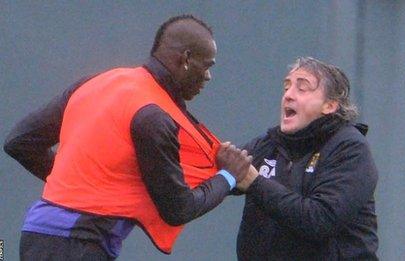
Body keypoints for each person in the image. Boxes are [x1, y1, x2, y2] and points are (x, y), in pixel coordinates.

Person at [4, 14, 252, 260]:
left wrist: (80, 184)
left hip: (37, 232)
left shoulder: (99, 82)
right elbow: (178, 209)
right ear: (186, 58)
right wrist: (228, 176)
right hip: (79, 243)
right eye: (207, 66)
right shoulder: (154, 116)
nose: (208, 76)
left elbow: (20, 143)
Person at [234, 57, 379, 260]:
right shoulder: (269, 144)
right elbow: (213, 174)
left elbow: (319, 219)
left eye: (302, 89)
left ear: (329, 105)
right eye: (286, 88)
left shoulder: (350, 149)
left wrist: (255, 183)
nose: (288, 96)